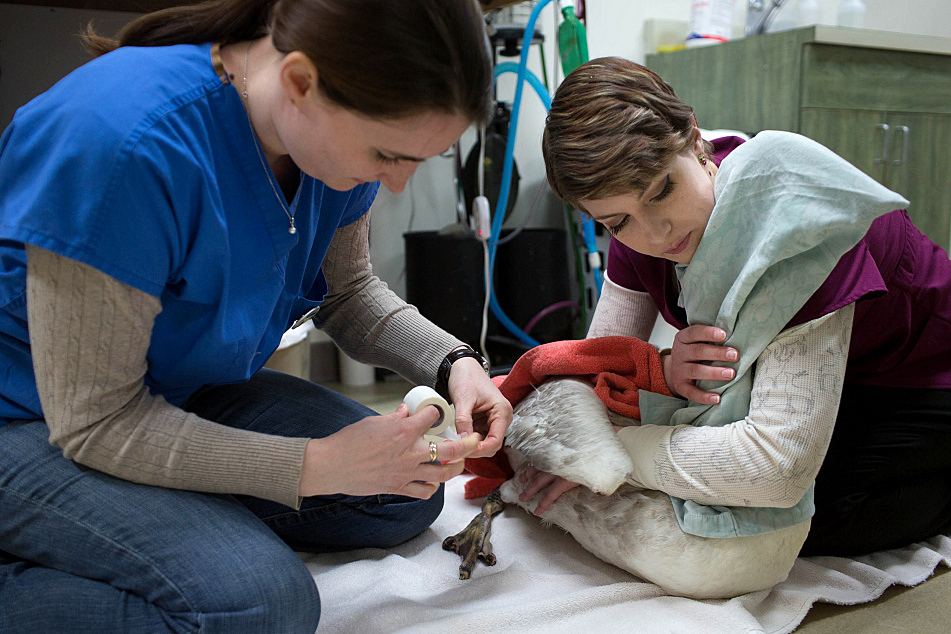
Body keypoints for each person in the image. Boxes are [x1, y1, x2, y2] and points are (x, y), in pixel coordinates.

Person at [0, 1, 513, 631]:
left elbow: (347, 291)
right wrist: (315, 466)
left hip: (171, 387)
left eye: (418, 159)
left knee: (403, 491)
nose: (397, 183)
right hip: (34, 414)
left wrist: (455, 363)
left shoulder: (327, 137)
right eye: (387, 155)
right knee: (259, 604)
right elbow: (96, 421)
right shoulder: (121, 145)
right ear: (299, 82)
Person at [524, 56, 951, 558]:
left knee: (794, 521)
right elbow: (602, 360)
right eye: (617, 222)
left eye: (663, 190)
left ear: (693, 137)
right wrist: (656, 376)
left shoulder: (792, 225)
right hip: (837, 369)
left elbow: (777, 472)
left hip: (921, 373)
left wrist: (615, 454)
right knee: (705, 484)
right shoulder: (635, 227)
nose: (656, 233)